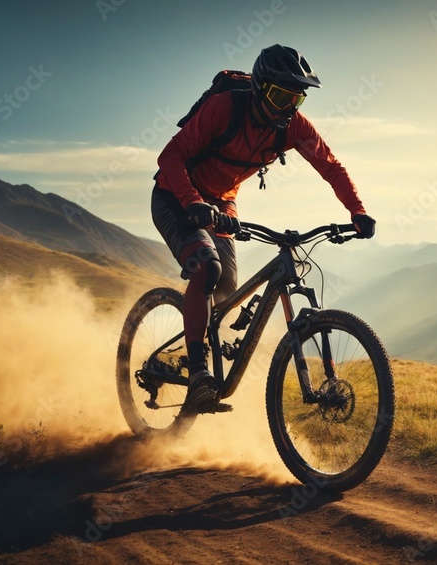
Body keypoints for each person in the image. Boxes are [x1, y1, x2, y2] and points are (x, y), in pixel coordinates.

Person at [151, 44, 376, 413]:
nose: (288, 108)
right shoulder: (224, 109)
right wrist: (192, 202)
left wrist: (357, 210)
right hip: (175, 195)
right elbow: (170, 156)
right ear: (259, 89)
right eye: (280, 96)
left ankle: (198, 355)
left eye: (297, 99)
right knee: (207, 268)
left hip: (221, 202)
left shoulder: (292, 126)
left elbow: (330, 166)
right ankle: (197, 376)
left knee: (226, 288)